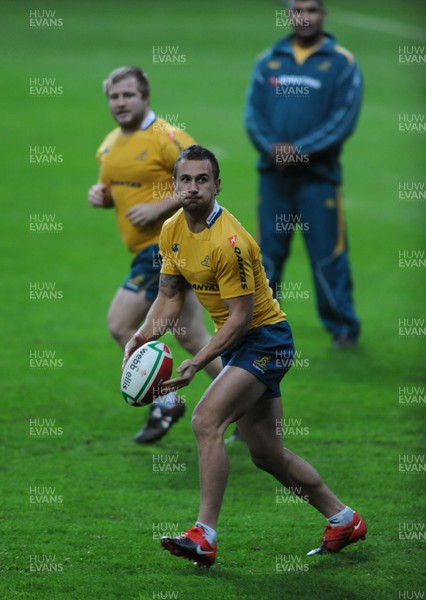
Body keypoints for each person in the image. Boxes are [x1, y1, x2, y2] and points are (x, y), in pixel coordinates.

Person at [123, 145, 367, 567]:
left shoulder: (229, 242)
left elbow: (240, 319)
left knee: (205, 419)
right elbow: (168, 297)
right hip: (243, 342)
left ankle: (204, 534)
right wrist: (143, 335)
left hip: (265, 341)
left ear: (217, 185)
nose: (194, 187)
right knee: (266, 454)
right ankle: (344, 519)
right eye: (186, 179)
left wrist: (198, 362)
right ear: (175, 184)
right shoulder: (172, 229)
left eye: (203, 180)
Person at [88, 66, 222, 443]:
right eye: (114, 96)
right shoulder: (110, 143)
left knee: (119, 324)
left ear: (145, 97)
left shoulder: (167, 136)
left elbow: (203, 181)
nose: (120, 102)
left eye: (128, 95)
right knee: (193, 337)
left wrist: (156, 208)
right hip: (151, 249)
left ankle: (165, 400)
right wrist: (103, 197)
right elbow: (116, 185)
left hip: (165, 247)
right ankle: (247, 406)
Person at [244, 0, 363, 349]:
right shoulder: (268, 59)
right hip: (274, 176)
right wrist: (273, 149)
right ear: (288, 14)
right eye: (297, 9)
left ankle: (343, 328)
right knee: (266, 255)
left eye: (312, 9)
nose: (304, 16)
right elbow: (253, 116)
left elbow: (343, 119)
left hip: (318, 179)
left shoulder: (341, 63)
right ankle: (259, 323)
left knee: (328, 254)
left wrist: (299, 150)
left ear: (323, 14)